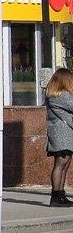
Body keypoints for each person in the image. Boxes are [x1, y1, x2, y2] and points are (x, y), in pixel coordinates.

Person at [43, 67, 73, 207]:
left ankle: (60, 194)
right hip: (62, 134)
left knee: (64, 165)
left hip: (64, 134)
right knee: (60, 165)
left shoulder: (57, 95)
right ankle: (56, 196)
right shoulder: (60, 96)